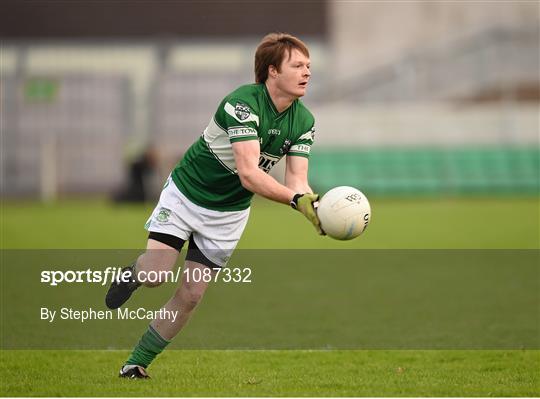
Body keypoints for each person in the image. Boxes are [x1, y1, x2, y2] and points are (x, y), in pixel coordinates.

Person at [105, 32, 324, 379]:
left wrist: (315, 207)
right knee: (155, 275)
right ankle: (133, 274)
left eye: (309, 65)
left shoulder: (304, 122)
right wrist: (297, 201)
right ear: (272, 71)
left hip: (228, 215)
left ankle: (135, 364)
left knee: (191, 294)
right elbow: (249, 175)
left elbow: (297, 181)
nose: (307, 72)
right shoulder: (242, 104)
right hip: (187, 194)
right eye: (297, 65)